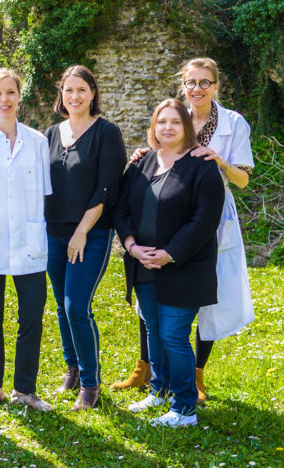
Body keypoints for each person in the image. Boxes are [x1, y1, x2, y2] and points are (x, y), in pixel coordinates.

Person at [111, 58, 255, 403]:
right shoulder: (176, 116)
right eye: (191, 83)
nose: (197, 89)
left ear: (216, 86)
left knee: (201, 295)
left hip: (209, 212)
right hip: (163, 211)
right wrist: (144, 155)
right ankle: (148, 371)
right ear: (183, 86)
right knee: (153, 302)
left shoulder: (233, 123)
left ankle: (195, 376)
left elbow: (243, 179)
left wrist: (219, 161)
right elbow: (154, 161)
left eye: (205, 83)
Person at [114, 98, 224, 426]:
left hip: (183, 267)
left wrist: (169, 253)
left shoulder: (201, 166)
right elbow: (121, 209)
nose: (168, 128)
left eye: (175, 122)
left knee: (174, 334)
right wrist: (132, 246)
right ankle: (159, 389)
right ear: (153, 127)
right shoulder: (140, 164)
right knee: (153, 328)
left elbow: (205, 220)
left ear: (186, 128)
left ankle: (184, 407)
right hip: (142, 264)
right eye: (161, 122)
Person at [44, 65, 126, 411]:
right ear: (61, 95)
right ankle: (73, 368)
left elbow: (107, 188)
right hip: (52, 232)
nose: (74, 96)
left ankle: (91, 385)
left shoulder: (107, 133)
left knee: (78, 305)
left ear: (93, 93)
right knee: (62, 306)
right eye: (68, 90)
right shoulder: (49, 133)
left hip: (91, 233)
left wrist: (81, 232)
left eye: (81, 89)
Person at [0, 69, 53, 412]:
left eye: (10, 92)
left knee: (32, 317)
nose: (4, 100)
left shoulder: (37, 141)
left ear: (20, 96)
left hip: (29, 240)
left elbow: (46, 192)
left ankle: (25, 390)